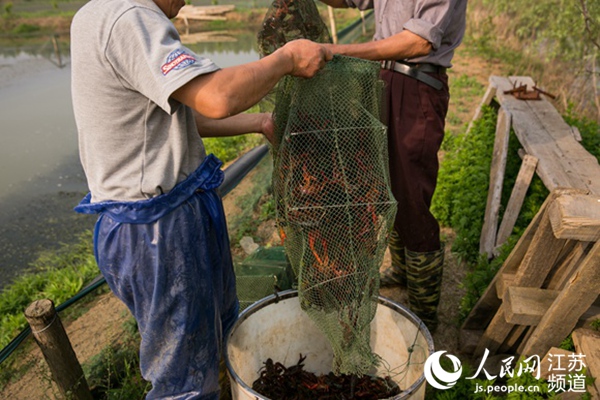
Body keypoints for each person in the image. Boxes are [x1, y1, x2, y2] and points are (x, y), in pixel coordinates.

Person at [69, 0, 332, 398]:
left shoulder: (95, 13)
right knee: (184, 379)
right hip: (158, 232)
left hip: (168, 216)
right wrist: (287, 57)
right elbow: (216, 97)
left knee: (218, 339)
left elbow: (176, 112)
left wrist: (260, 122)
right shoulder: (130, 17)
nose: (188, 1)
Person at [317, 0, 467, 331]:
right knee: (385, 186)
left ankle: (425, 313)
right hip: (381, 79)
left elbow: (419, 41)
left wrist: (336, 50)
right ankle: (402, 271)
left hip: (416, 87)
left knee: (412, 197)